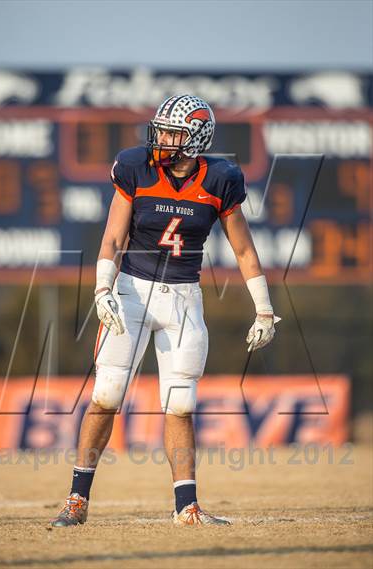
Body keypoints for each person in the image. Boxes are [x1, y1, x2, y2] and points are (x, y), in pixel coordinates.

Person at [51, 94, 279, 527]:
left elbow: (244, 249)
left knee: (180, 402)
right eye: (162, 129)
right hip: (132, 292)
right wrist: (103, 287)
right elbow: (114, 237)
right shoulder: (136, 167)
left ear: (196, 139)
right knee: (107, 394)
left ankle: (186, 506)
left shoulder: (221, 179)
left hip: (183, 298)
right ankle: (76, 499)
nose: (162, 138)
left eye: (173, 132)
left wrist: (264, 310)